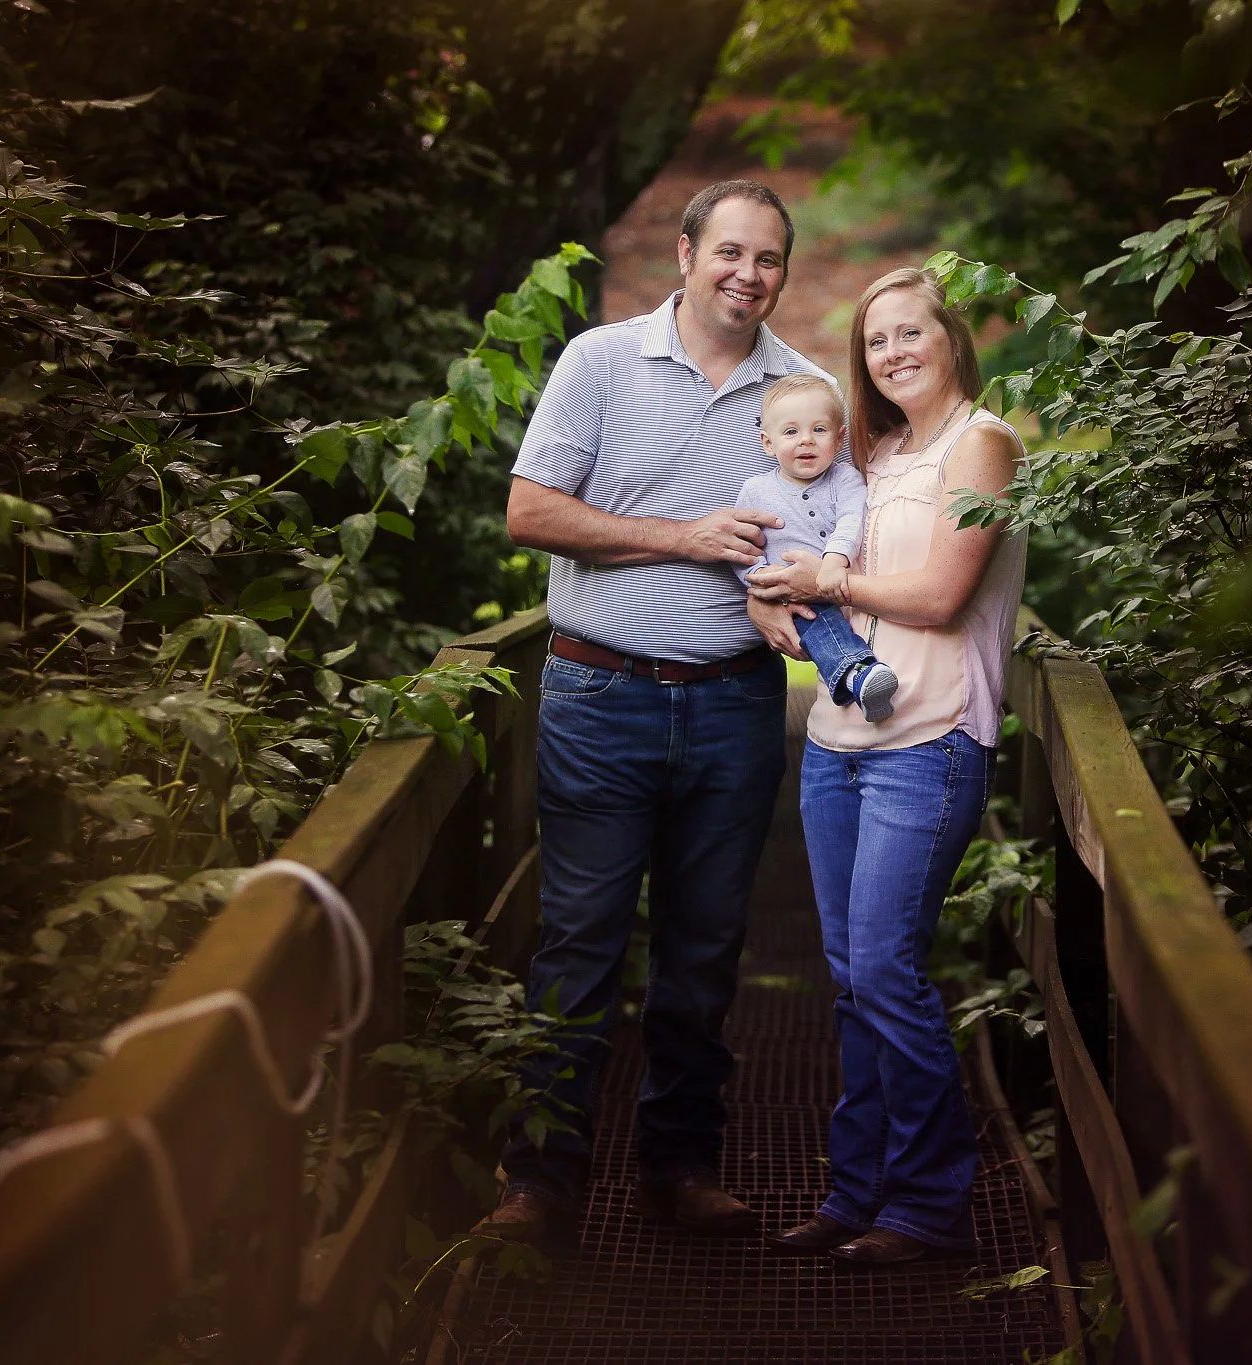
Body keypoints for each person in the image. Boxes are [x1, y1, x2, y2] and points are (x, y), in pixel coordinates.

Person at [472, 180, 830, 1246]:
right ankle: (539, 1185)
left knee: (703, 951)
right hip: (599, 695)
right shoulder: (599, 362)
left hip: (732, 706)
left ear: (780, 272)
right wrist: (683, 536)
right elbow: (527, 512)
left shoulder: (802, 393)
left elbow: (833, 535)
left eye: (767, 258)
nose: (746, 274)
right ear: (684, 253)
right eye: (728, 251)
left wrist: (801, 592)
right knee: (577, 944)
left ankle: (677, 1169)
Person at [746, 266, 1027, 1266]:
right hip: (835, 746)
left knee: (884, 969)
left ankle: (925, 1206)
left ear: (950, 338)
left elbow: (945, 596)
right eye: (874, 341)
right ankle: (853, 1194)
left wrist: (832, 575)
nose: (892, 351)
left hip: (930, 740)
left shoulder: (981, 444)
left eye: (910, 331)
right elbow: (803, 548)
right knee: (852, 981)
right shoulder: (874, 454)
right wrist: (771, 596)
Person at [732, 374, 899, 722]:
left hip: (841, 580)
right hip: (789, 594)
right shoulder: (755, 490)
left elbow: (851, 520)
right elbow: (743, 545)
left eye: (819, 430)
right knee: (813, 622)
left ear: (839, 439)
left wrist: (833, 561)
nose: (805, 440)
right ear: (768, 442)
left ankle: (860, 678)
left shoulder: (845, 479)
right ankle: (858, 676)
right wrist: (760, 578)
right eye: (791, 432)